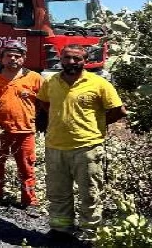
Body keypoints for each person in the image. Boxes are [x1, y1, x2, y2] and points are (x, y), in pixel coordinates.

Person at [38, 44, 127, 242]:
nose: (71, 62)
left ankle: (90, 234)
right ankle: (61, 230)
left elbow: (118, 110)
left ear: (85, 61)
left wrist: (98, 126)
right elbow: (44, 103)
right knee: (58, 193)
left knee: (90, 194)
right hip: (55, 147)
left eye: (77, 59)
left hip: (87, 147)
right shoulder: (51, 81)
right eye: (67, 58)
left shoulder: (98, 83)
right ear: (60, 59)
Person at [0, 40, 43, 215]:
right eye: (9, 56)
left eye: (17, 56)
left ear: (24, 58)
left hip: (24, 130)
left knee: (26, 166)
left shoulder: (34, 78)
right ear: (1, 58)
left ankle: (29, 200)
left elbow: (42, 103)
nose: (13, 59)